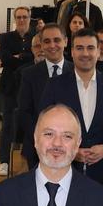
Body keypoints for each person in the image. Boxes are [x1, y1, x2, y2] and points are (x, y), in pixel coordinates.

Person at [37, 28, 103, 184]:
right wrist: (71, 151)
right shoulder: (54, 85)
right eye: (79, 48)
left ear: (99, 52)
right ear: (72, 52)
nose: (85, 53)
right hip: (64, 170)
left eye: (90, 48)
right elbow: (42, 126)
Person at [17, 24, 68, 172]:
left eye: (57, 40)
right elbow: (24, 112)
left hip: (70, 147)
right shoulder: (29, 74)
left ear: (65, 41)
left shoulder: (76, 71)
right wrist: (44, 138)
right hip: (37, 146)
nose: (52, 45)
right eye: (46, 41)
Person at [0, 7, 35, 176]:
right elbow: (5, 59)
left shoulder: (35, 37)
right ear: (14, 19)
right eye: (18, 17)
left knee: (29, 124)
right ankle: (4, 161)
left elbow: (35, 58)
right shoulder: (5, 37)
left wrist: (19, 57)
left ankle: (28, 161)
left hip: (29, 87)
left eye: (24, 17)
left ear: (29, 18)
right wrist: (23, 57)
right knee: (8, 125)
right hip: (9, 87)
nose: (21, 20)